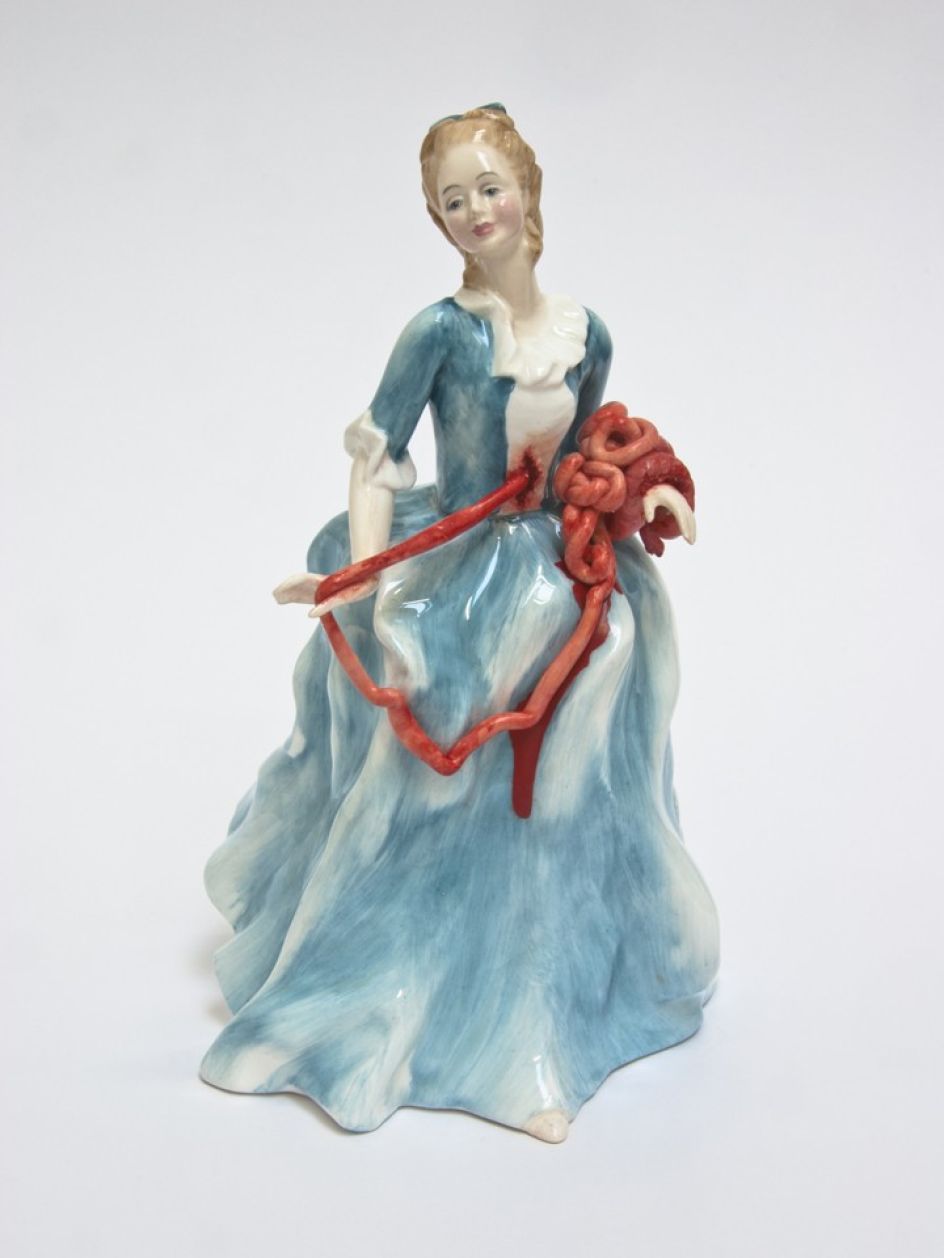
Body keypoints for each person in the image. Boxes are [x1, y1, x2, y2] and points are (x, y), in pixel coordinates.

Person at [200, 105, 719, 1143]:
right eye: (452, 200)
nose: (475, 210)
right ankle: (427, 1000)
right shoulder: (438, 333)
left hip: (563, 566)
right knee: (444, 758)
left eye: (489, 187)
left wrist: (643, 490)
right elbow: (377, 456)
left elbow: (589, 450)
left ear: (526, 190)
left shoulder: (585, 331)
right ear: (436, 221)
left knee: (584, 750)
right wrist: (364, 574)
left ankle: (561, 1002)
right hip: (466, 569)